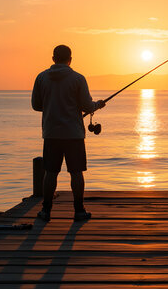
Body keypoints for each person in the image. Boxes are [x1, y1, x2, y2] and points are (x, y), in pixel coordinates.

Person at [31, 45, 105, 222]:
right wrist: (98, 105)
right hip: (74, 135)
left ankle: (46, 211)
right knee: (76, 173)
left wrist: (51, 106)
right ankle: (79, 211)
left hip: (51, 134)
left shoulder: (41, 78)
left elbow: (36, 105)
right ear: (70, 59)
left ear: (53, 58)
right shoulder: (78, 79)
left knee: (50, 172)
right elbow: (87, 106)